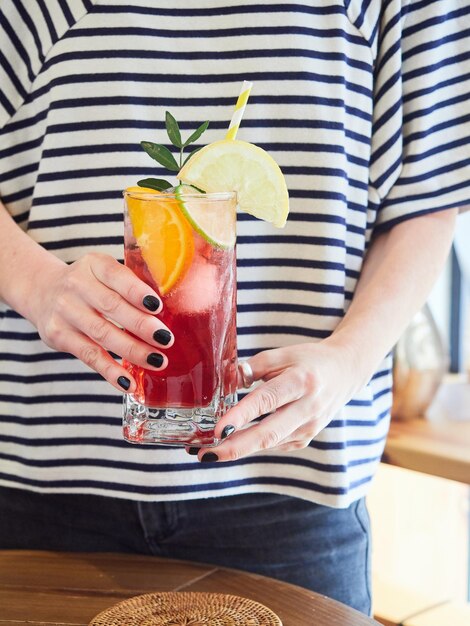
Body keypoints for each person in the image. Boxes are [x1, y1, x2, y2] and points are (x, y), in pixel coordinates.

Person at [0, 0, 468, 616]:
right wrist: (36, 285)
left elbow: (428, 196)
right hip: (42, 482)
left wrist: (347, 362)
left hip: (292, 487)